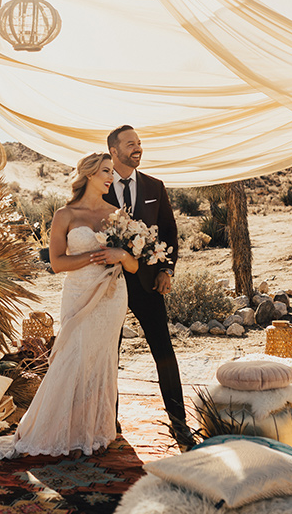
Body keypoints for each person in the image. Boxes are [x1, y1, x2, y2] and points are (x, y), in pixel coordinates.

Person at [0, 153, 137, 458]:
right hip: (78, 293)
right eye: (105, 171)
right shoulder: (65, 214)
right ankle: (56, 431)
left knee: (100, 361)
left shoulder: (118, 215)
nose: (111, 178)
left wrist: (122, 256)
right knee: (72, 357)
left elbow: (133, 265)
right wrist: (96, 256)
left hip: (112, 296)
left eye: (112, 173)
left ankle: (92, 431)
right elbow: (58, 263)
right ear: (88, 174)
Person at [104, 125, 191, 448]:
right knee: (108, 354)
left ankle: (179, 420)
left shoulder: (156, 186)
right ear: (114, 151)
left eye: (139, 143)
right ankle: (108, 421)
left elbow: (169, 231)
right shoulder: (100, 185)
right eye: (130, 144)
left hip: (148, 282)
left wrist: (167, 269)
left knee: (164, 351)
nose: (138, 148)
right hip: (108, 284)